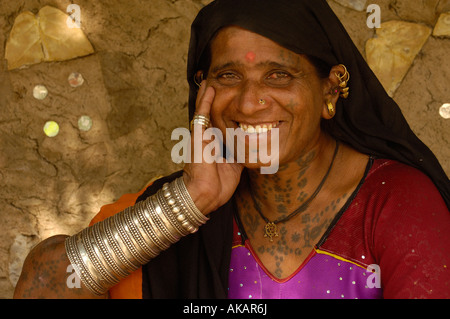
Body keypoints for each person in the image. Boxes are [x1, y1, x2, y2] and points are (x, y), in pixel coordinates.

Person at [14, 0, 449, 299]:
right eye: (227, 77)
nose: (248, 102)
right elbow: (46, 281)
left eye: (278, 75)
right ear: (202, 90)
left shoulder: (396, 203)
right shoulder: (183, 209)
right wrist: (188, 203)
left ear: (331, 90)